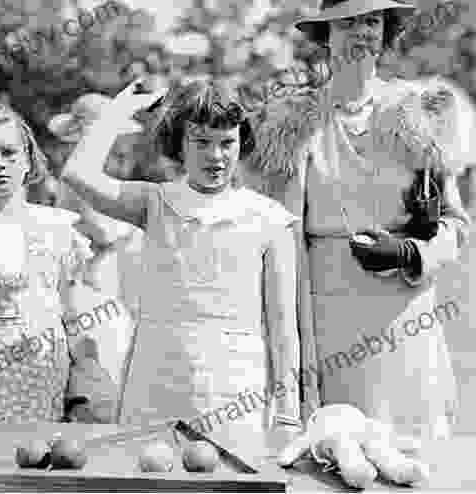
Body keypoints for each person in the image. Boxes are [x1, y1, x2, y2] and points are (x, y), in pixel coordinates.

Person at [241, 0, 472, 440]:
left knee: (409, 454)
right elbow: (271, 232)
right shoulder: (293, 121)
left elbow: (456, 225)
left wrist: (413, 252)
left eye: (372, 22)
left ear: (385, 32)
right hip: (325, 313)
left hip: (404, 309)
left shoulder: (418, 111)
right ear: (326, 36)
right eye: (347, 23)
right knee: (335, 453)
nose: (362, 33)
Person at [62, 78, 303, 439]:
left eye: (227, 142)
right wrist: (116, 113)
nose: (216, 156)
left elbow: (284, 329)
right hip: (157, 385)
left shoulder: (270, 219)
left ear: (242, 142)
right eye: (201, 142)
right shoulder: (155, 202)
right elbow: (76, 174)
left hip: (237, 390)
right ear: (179, 143)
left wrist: (288, 414)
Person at [0, 101, 118, 424]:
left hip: (41, 384)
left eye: (9, 153)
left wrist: (88, 373)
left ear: (27, 161)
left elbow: (73, 313)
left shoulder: (56, 230)